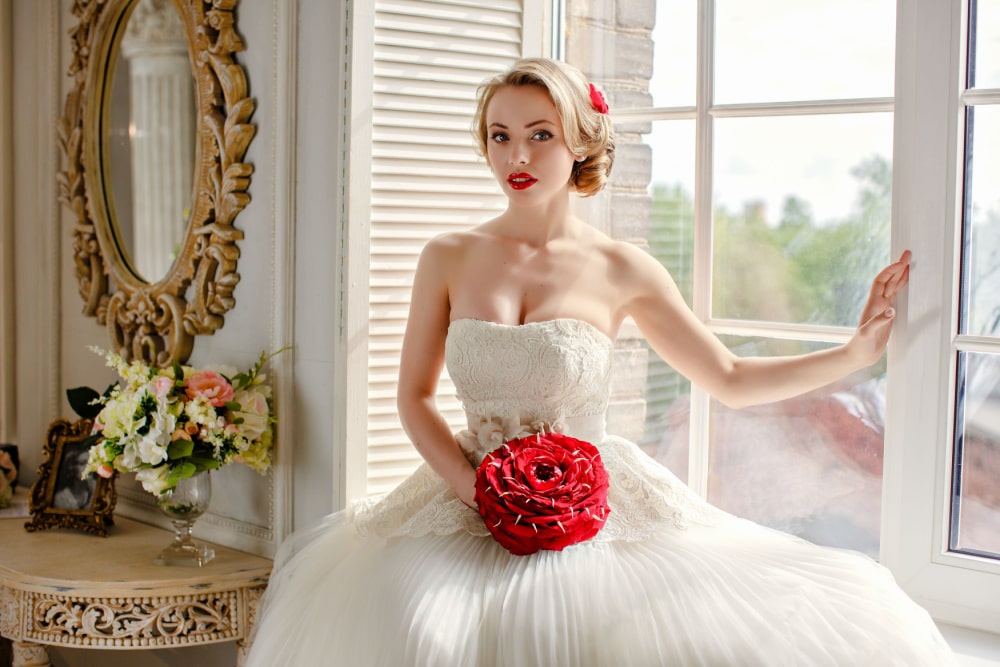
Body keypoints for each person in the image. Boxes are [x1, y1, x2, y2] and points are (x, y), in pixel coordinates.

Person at [246, 58, 956, 666]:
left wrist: (854, 352)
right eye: (500, 137)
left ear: (580, 145)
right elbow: (415, 398)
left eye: (539, 136)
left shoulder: (624, 268)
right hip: (465, 496)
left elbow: (731, 380)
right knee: (422, 628)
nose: (516, 158)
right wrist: (473, 488)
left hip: (591, 503)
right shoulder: (448, 255)